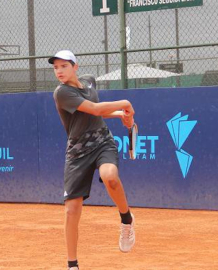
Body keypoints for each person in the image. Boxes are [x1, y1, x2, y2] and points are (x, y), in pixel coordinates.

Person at [49, 50, 136, 270]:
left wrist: (119, 116)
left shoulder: (88, 83)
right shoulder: (62, 93)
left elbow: (95, 114)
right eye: (55, 67)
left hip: (102, 142)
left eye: (63, 66)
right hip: (77, 153)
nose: (59, 71)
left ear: (75, 67)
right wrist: (124, 103)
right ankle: (72, 265)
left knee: (110, 177)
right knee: (71, 210)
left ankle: (126, 220)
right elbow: (95, 108)